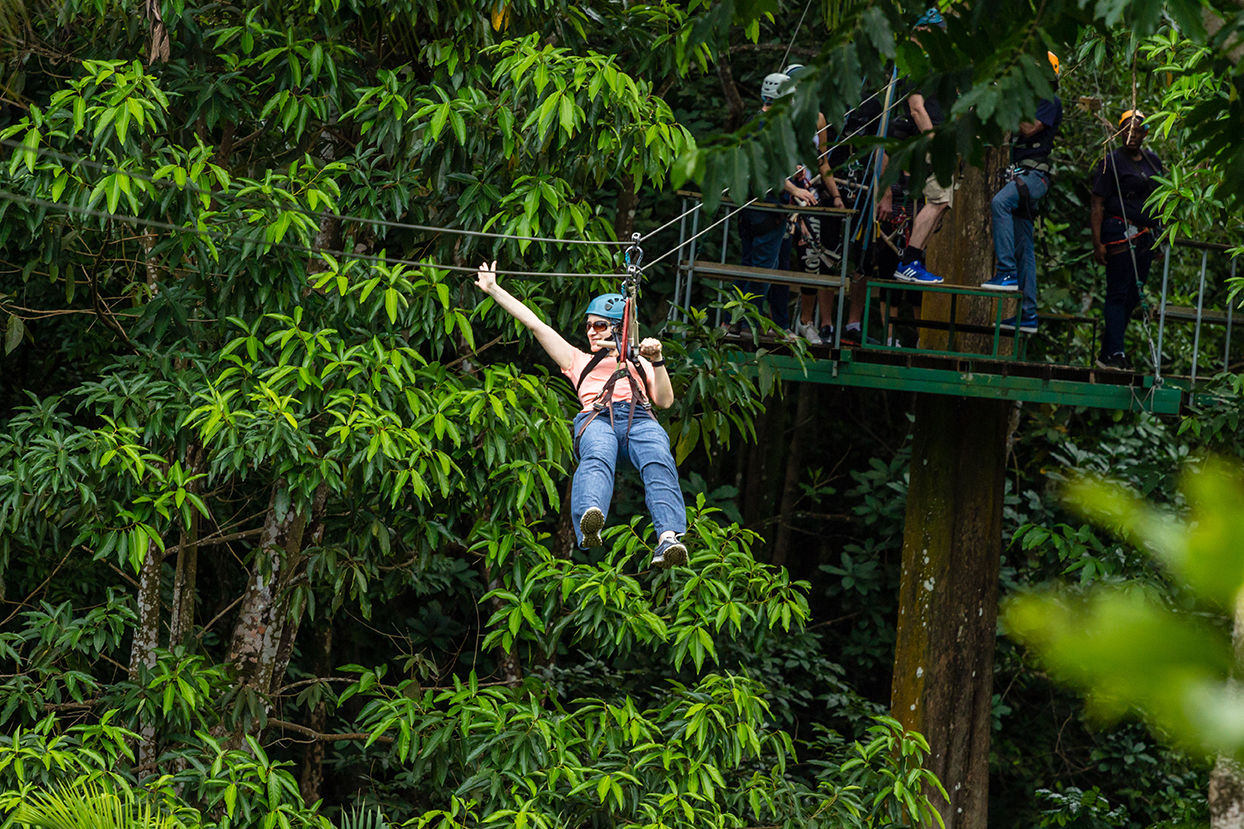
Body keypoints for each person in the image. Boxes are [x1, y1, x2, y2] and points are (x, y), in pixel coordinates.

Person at [474, 261, 689, 568]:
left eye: (599, 325)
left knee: (659, 459)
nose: (590, 331)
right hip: (597, 419)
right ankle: (591, 517)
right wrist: (495, 290)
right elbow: (536, 325)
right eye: (588, 325)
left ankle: (668, 538)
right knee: (598, 453)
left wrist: (656, 360)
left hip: (640, 420)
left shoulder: (640, 361)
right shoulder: (577, 360)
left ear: (618, 328)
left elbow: (665, 402)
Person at [982, 51, 1064, 335]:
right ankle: (1027, 315)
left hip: (1034, 176)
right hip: (1021, 175)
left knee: (1000, 203)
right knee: (1024, 248)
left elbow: (1028, 128)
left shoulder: (1050, 102)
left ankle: (1006, 272)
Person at [732, 71, 819, 336]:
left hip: (749, 206)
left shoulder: (754, 121)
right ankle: (746, 323)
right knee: (763, 269)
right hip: (767, 209)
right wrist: (796, 190)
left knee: (749, 265)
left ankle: (733, 319)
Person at [1089, 110, 1165, 370]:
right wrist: (1097, 242)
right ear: (1119, 133)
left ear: (1144, 133)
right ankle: (1115, 354)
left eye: (1136, 131)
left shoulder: (1153, 162)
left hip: (1145, 236)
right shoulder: (1111, 162)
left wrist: (1161, 238)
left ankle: (1109, 351)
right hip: (1119, 232)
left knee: (1134, 293)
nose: (1130, 136)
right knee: (1118, 292)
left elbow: (1163, 201)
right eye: (1125, 131)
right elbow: (1097, 203)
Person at [888, 7, 954, 286]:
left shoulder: (929, 65)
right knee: (938, 200)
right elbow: (916, 108)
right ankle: (909, 261)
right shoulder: (914, 64)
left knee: (944, 203)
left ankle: (914, 259)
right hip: (930, 140)